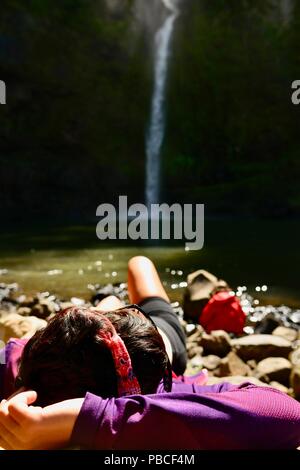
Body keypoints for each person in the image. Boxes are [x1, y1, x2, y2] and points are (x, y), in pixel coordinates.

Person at [0, 257, 300, 450]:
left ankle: (107, 304)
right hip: (156, 337)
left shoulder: (25, 363)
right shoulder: (169, 394)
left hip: (122, 335)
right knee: (139, 264)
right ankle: (109, 304)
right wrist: (87, 419)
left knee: (122, 286)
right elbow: (287, 413)